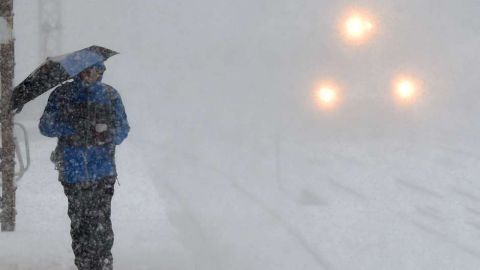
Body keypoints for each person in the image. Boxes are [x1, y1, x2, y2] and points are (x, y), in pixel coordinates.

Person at [39, 62, 130, 270]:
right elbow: (45, 126)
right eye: (91, 70)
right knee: (80, 224)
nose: (95, 74)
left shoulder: (109, 95)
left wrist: (107, 134)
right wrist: (71, 126)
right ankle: (84, 264)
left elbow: (123, 129)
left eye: (99, 70)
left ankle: (104, 264)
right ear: (80, 71)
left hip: (103, 170)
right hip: (73, 170)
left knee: (101, 224)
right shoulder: (62, 94)